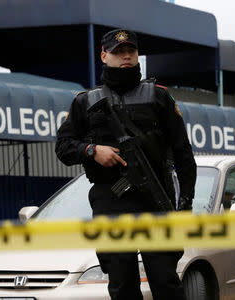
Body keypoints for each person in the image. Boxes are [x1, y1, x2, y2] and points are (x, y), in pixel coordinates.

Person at [55, 28, 197, 300]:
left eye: (131, 51)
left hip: (156, 201)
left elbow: (183, 154)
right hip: (111, 201)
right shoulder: (85, 101)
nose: (126, 57)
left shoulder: (159, 96)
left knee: (166, 282)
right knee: (121, 286)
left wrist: (185, 205)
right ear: (104, 56)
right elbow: (63, 147)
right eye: (119, 52)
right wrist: (92, 150)